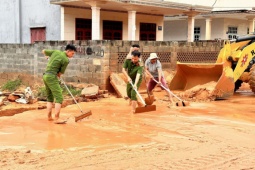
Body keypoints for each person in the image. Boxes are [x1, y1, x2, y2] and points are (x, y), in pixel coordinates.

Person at [42, 44, 76, 121]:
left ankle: (49, 117)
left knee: (50, 97)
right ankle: (57, 118)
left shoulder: (56, 52)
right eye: (72, 53)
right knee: (59, 97)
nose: (72, 55)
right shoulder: (66, 60)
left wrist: (47, 57)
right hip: (52, 77)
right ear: (68, 51)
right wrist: (58, 74)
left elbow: (43, 51)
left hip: (45, 76)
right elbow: (60, 73)